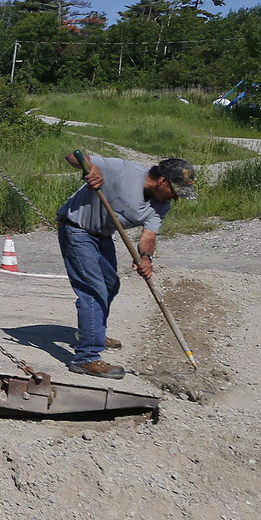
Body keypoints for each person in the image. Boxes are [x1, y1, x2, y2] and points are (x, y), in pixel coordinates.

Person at [56, 152, 197, 378]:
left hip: (103, 235)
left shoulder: (161, 204)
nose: (176, 198)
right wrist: (91, 170)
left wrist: (145, 258)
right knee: (94, 290)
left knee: (110, 285)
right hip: (77, 229)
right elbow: (73, 155)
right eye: (175, 191)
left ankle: (92, 333)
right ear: (162, 181)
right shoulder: (122, 170)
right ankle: (86, 357)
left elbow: (148, 236)